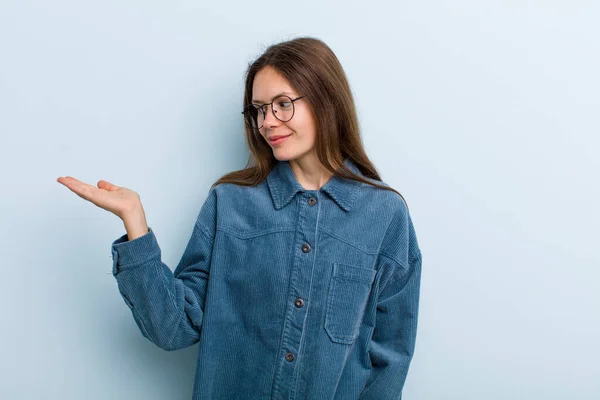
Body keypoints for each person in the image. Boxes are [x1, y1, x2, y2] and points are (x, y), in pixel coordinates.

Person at [57, 36, 422, 400]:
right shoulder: (229, 203)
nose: (267, 122)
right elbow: (174, 328)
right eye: (259, 109)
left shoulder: (385, 215)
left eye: (282, 104)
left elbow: (389, 359)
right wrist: (135, 223)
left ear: (327, 101)